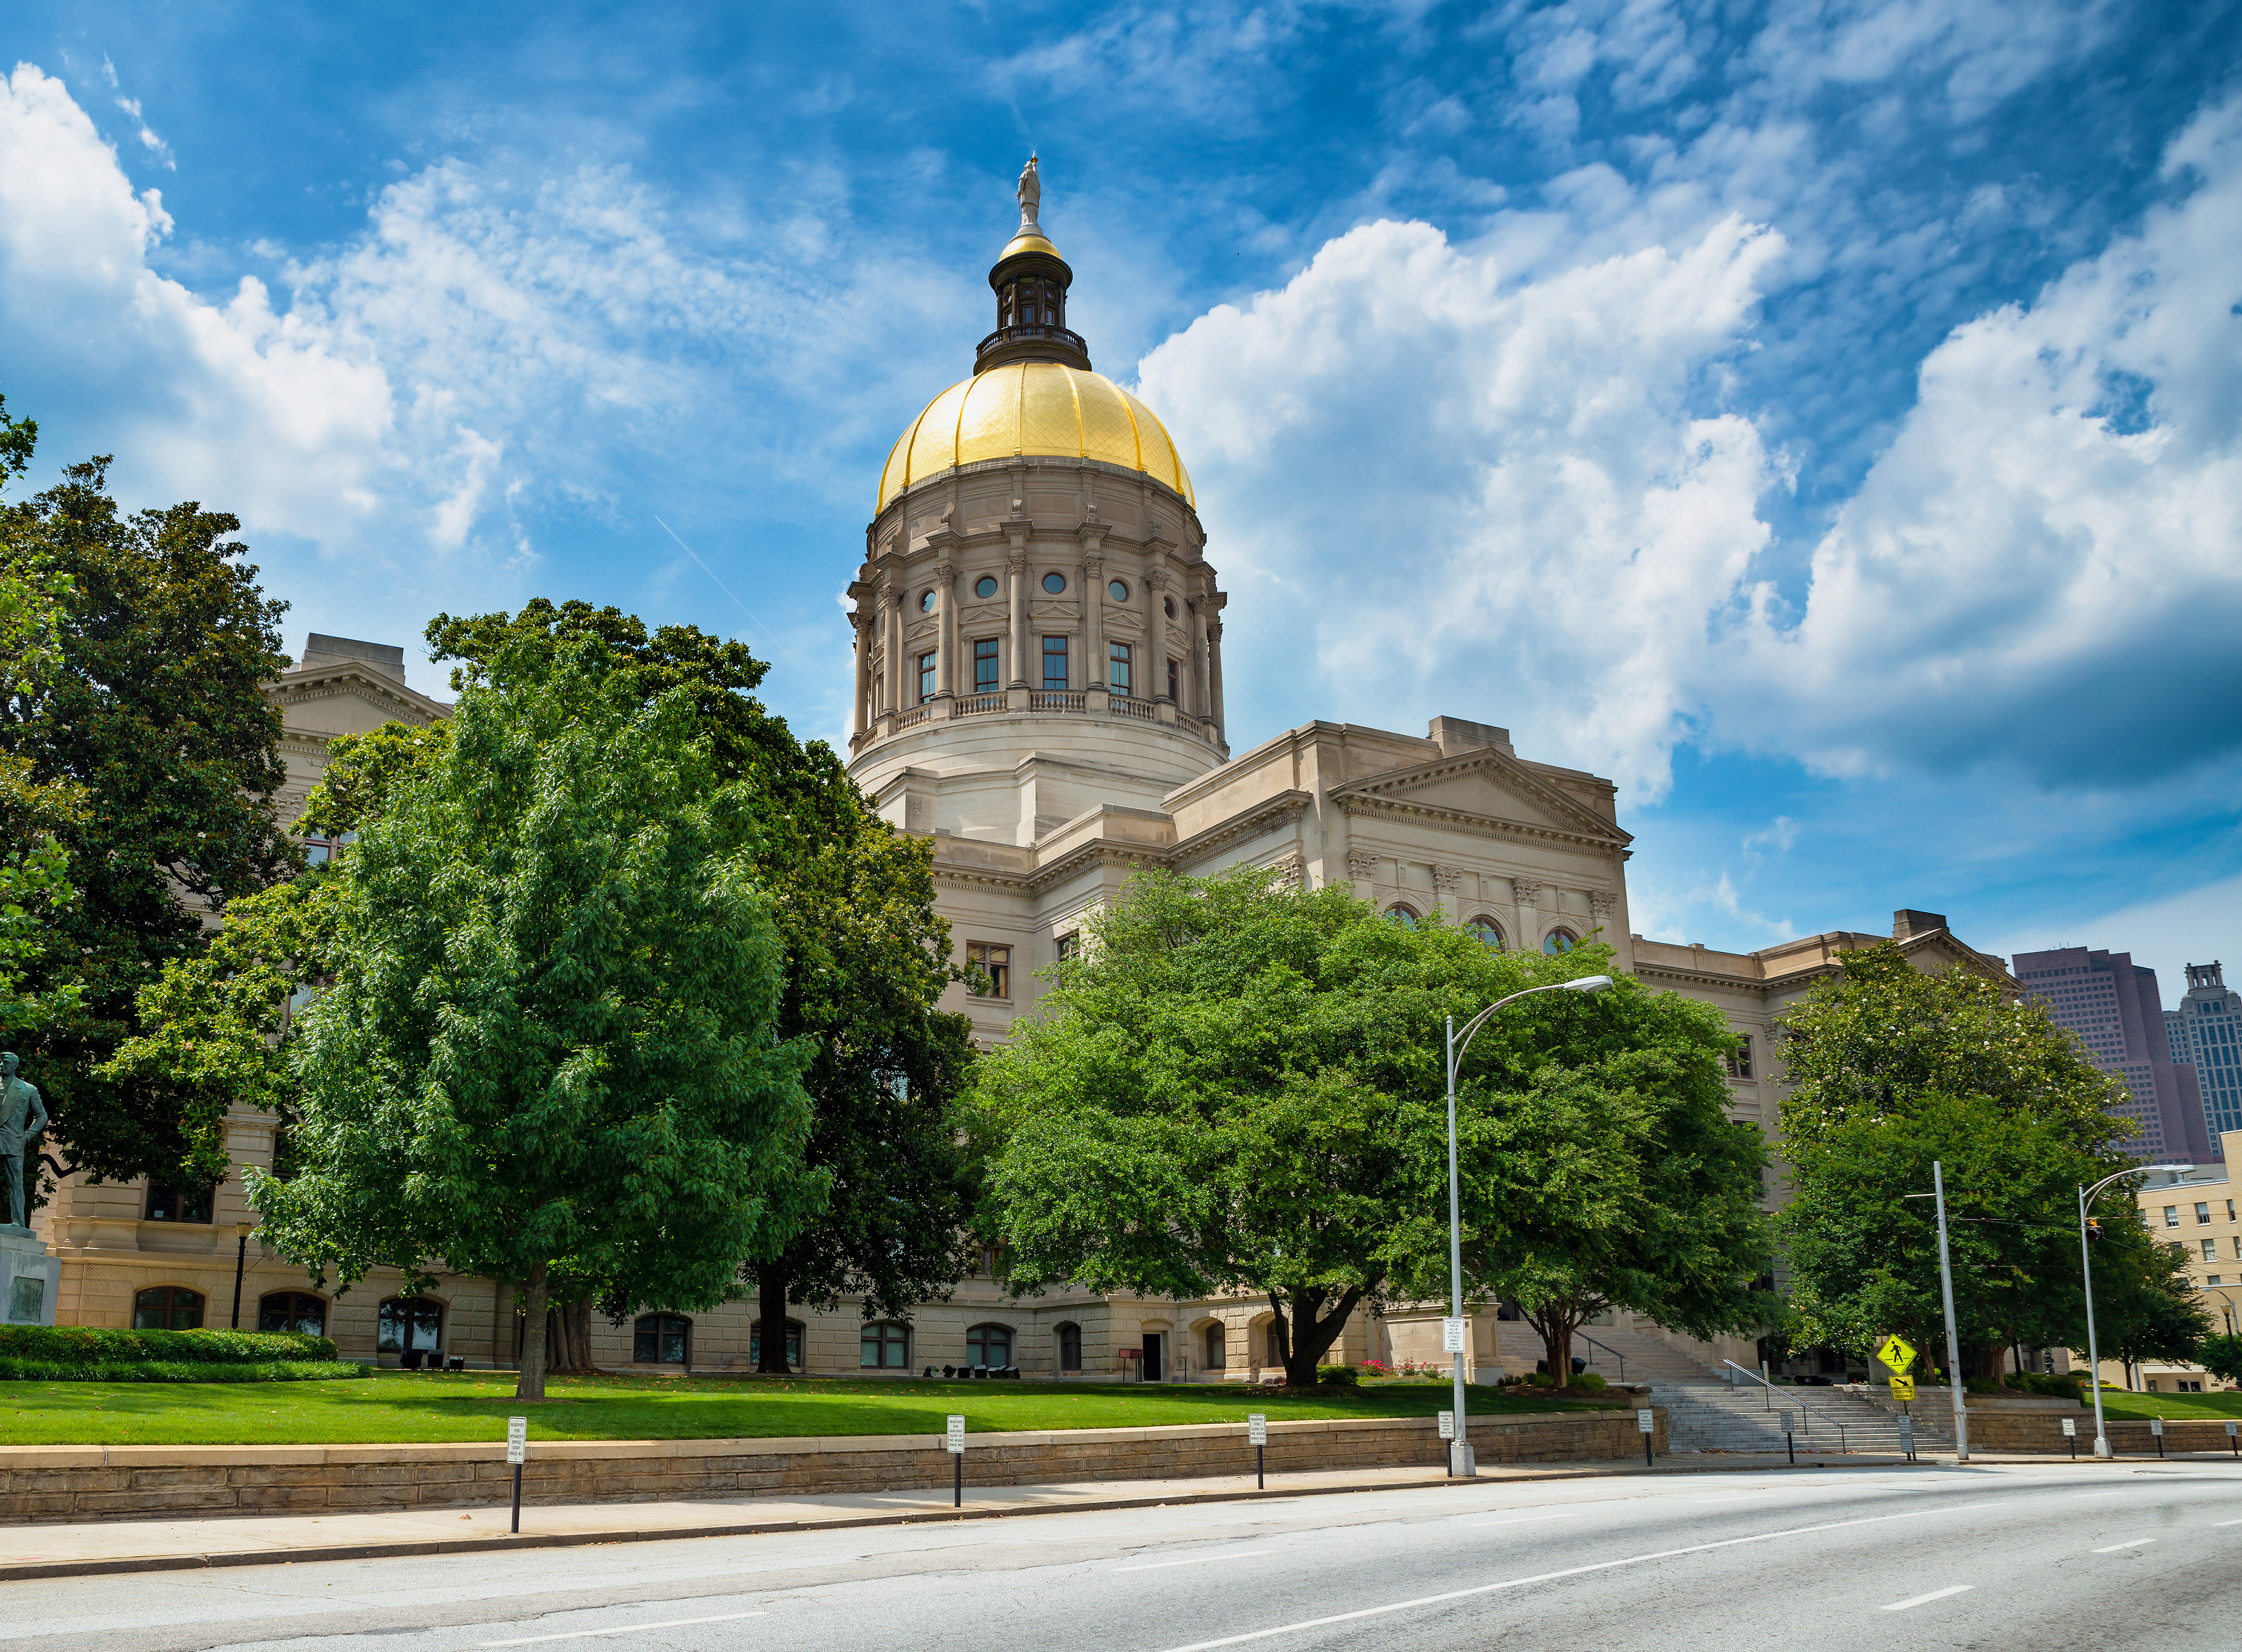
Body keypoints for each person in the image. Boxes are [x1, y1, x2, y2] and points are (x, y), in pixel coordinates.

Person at [0, 1053, 49, 1231]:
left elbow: (42, 1116)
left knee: (16, 1184)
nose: (1, 1065)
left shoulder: (28, 1089)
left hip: (14, 1141)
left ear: (15, 1066)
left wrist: (28, 1136)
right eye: (1, 1061)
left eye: (6, 1062)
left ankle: (18, 1221)